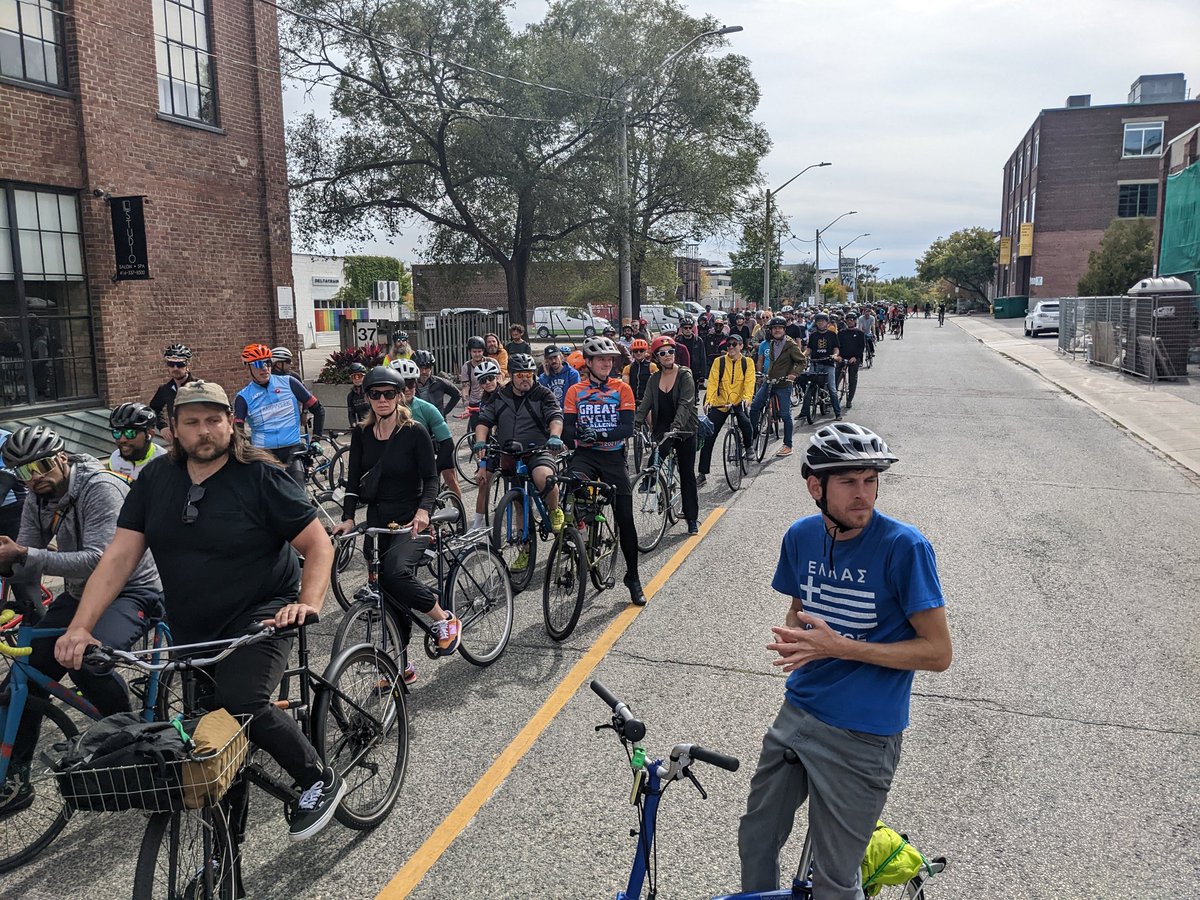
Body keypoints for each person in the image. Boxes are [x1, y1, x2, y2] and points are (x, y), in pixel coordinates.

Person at [55, 381, 347, 841]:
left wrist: (306, 604)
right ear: (171, 429)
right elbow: (118, 558)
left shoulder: (262, 477)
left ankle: (317, 777)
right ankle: (224, 854)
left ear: (231, 423)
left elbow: (317, 543)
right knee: (207, 740)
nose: (204, 431)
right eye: (191, 422)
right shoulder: (154, 480)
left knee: (242, 700)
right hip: (193, 621)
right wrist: (80, 628)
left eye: (214, 420)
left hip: (263, 611)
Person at [738, 424, 952, 898]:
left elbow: (939, 654)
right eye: (849, 482)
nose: (864, 494)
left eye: (870, 480)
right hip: (799, 712)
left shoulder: (904, 547)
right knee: (755, 839)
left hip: (864, 734)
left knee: (836, 878)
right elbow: (800, 604)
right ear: (816, 487)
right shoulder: (800, 537)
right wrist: (799, 636)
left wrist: (841, 647)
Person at [0, 425, 163, 816]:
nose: (34, 476)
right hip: (78, 594)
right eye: (24, 472)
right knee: (25, 672)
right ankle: (14, 775)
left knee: (88, 659)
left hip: (131, 589)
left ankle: (132, 740)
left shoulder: (99, 487)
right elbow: (28, 561)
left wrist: (23, 554)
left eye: (40, 465)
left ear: (61, 457)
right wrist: (11, 565)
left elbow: (99, 559)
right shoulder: (37, 497)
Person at [333, 367, 459, 685]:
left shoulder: (414, 431)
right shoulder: (361, 434)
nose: (382, 399)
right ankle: (401, 667)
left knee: (396, 573)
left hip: (411, 519)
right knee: (388, 595)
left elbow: (431, 479)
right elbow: (351, 482)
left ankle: (443, 619)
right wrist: (348, 517)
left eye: (389, 393)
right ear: (368, 398)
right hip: (377, 519)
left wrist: (423, 512)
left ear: (400, 395)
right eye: (375, 394)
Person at [562, 336, 645, 605]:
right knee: (572, 483)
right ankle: (580, 529)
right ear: (588, 362)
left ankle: (632, 577)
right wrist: (577, 435)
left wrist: (598, 432)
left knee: (626, 520)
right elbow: (567, 430)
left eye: (610, 359)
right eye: (601, 359)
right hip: (585, 456)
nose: (607, 363)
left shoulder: (622, 389)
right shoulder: (576, 391)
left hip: (612, 457)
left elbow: (627, 427)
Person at [475, 353, 565, 570]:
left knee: (543, 477)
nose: (526, 379)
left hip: (539, 450)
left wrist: (554, 436)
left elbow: (555, 417)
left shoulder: (543, 394)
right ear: (511, 376)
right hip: (510, 455)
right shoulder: (500, 396)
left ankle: (554, 509)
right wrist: (480, 442)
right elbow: (484, 421)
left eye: (529, 374)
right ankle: (524, 551)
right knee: (518, 504)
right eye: (520, 375)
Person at [634, 336, 699, 535]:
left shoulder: (685, 375)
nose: (668, 355)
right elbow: (646, 403)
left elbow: (686, 403)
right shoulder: (654, 379)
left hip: (684, 428)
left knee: (687, 475)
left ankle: (692, 518)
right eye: (663, 353)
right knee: (654, 461)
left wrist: (676, 426)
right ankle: (653, 482)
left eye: (671, 351)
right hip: (662, 428)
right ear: (656, 357)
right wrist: (635, 423)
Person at [234, 343, 325, 485]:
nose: (264, 368)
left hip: (292, 451)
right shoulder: (243, 397)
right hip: (263, 454)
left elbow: (318, 409)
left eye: (267, 362)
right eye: (258, 364)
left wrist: (316, 439)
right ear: (248, 367)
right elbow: (237, 431)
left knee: (298, 498)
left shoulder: (290, 383)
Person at [387, 358, 463, 504]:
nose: (408, 389)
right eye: (403, 385)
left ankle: (459, 515)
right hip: (406, 458)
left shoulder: (426, 408)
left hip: (435, 448)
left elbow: (448, 444)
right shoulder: (384, 410)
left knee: (451, 479)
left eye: (411, 383)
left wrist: (434, 469)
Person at [697, 333, 754, 487]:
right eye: (728, 345)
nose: (731, 347)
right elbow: (713, 383)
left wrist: (747, 399)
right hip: (720, 403)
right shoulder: (719, 362)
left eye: (734, 344)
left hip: (738, 402)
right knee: (709, 436)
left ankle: (748, 447)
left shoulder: (747, 362)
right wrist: (708, 401)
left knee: (745, 423)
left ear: (741, 346)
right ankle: (702, 473)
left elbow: (749, 383)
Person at [750, 317, 807, 458]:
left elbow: (802, 361)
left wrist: (793, 374)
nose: (777, 330)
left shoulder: (791, 345)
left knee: (785, 415)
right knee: (755, 406)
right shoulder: (771, 344)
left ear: (784, 329)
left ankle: (788, 445)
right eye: (774, 328)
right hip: (769, 381)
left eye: (780, 328)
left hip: (783, 384)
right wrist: (763, 375)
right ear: (771, 330)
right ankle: (752, 436)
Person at [469, 359, 503, 529]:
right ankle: (477, 525)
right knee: (483, 482)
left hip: (514, 442)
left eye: (490, 378)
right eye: (483, 380)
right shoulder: (484, 401)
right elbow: (484, 434)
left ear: (497, 376)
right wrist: (482, 465)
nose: (488, 383)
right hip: (495, 445)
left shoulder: (509, 393)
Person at [148, 343, 198, 443]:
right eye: (171, 364)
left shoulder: (200, 386)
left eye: (180, 364)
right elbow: (154, 408)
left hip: (198, 439)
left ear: (188, 365)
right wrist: (162, 426)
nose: (175, 368)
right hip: (177, 442)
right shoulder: (165, 389)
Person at [107, 402, 166, 480]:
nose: (122, 440)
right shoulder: (114, 459)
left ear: (150, 434)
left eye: (130, 433)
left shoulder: (166, 463)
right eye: (117, 433)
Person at [805, 313, 843, 422]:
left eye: (823, 321)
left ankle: (837, 413)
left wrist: (835, 355)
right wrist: (802, 356)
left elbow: (836, 348)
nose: (820, 323)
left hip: (828, 364)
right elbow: (809, 350)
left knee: (832, 388)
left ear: (827, 322)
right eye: (818, 321)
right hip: (815, 363)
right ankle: (804, 412)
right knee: (809, 387)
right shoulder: (813, 335)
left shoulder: (832, 334)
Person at [413, 350, 461, 419]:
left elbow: (457, 394)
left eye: (427, 368)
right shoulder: (410, 385)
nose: (423, 372)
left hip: (437, 421)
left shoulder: (439, 382)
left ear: (431, 368)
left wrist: (444, 412)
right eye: (420, 368)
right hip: (418, 422)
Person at [836, 316, 866, 412]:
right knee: (835, 377)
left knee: (852, 379)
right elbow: (837, 345)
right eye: (848, 320)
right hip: (842, 357)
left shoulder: (860, 333)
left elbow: (861, 347)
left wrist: (855, 357)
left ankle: (849, 399)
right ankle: (832, 397)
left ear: (855, 321)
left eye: (851, 320)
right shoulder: (841, 333)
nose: (849, 322)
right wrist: (838, 356)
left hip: (854, 358)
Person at [460, 336, 489, 427]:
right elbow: (465, 387)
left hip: (490, 399)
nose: (477, 354)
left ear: (483, 351)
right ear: (470, 352)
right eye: (474, 352)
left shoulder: (491, 363)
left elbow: (499, 381)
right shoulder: (466, 367)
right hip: (475, 402)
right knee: (476, 430)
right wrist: (466, 407)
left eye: (479, 351)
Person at [674, 317, 707, 394]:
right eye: (685, 328)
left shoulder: (698, 340)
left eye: (690, 327)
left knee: (694, 392)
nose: (688, 330)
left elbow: (703, 357)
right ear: (682, 329)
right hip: (681, 370)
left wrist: (702, 375)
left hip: (695, 370)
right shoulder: (678, 340)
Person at [621, 338, 656, 404]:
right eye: (636, 351)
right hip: (633, 401)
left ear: (645, 351)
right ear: (633, 352)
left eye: (641, 350)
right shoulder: (628, 368)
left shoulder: (652, 366)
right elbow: (625, 387)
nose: (638, 353)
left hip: (648, 402)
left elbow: (656, 385)